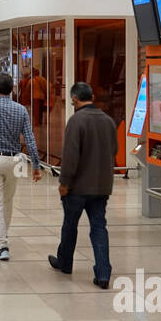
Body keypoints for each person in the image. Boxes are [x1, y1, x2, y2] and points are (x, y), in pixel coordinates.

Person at [49, 82, 118, 288]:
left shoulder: (76, 121)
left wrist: (64, 182)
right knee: (99, 227)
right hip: (101, 186)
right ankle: (103, 273)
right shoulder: (108, 121)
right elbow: (113, 150)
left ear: (75, 100)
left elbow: (70, 157)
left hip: (78, 187)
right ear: (93, 96)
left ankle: (65, 262)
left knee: (70, 225)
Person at [0, 72, 42, 262]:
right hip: (14, 160)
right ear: (12, 89)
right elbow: (29, 138)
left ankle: (2, 244)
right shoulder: (21, 110)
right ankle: (3, 235)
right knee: (8, 200)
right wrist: (36, 164)